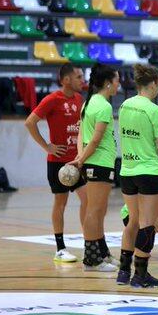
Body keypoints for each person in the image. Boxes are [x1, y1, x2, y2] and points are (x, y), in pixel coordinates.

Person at [115, 64, 158, 288]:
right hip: (149, 171)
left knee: (133, 222)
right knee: (148, 225)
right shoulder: (154, 110)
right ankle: (140, 275)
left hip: (127, 170)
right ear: (153, 84)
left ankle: (123, 271)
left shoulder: (124, 105)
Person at [24, 64, 87, 264]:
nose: (82, 80)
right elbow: (30, 122)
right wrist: (47, 146)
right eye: (78, 77)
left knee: (88, 200)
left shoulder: (79, 99)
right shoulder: (52, 99)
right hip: (58, 163)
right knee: (61, 203)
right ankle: (60, 249)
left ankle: (91, 242)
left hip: (76, 161)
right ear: (66, 80)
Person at [68, 63, 120, 272]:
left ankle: (101, 253)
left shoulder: (88, 103)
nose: (118, 85)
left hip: (94, 161)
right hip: (99, 162)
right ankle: (91, 260)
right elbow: (96, 139)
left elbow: (82, 135)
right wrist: (81, 160)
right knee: (94, 211)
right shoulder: (104, 106)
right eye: (116, 81)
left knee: (98, 211)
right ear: (108, 83)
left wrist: (81, 157)